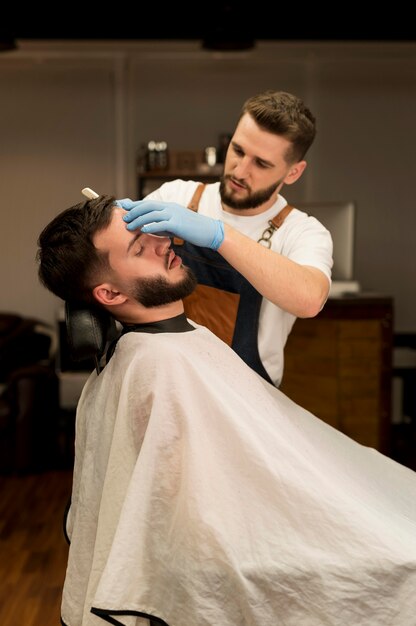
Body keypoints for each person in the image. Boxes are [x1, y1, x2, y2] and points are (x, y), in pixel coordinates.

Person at [37, 196, 416, 626]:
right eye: (139, 248)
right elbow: (193, 521)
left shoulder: (170, 345)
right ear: (108, 293)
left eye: (152, 231)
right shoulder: (154, 368)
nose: (163, 243)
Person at [118, 89, 333, 387]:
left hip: (246, 402)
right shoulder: (176, 197)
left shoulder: (302, 231)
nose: (240, 171)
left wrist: (220, 236)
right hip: (166, 384)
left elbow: (310, 299)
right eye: (238, 150)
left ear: (293, 172)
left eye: (262, 164)